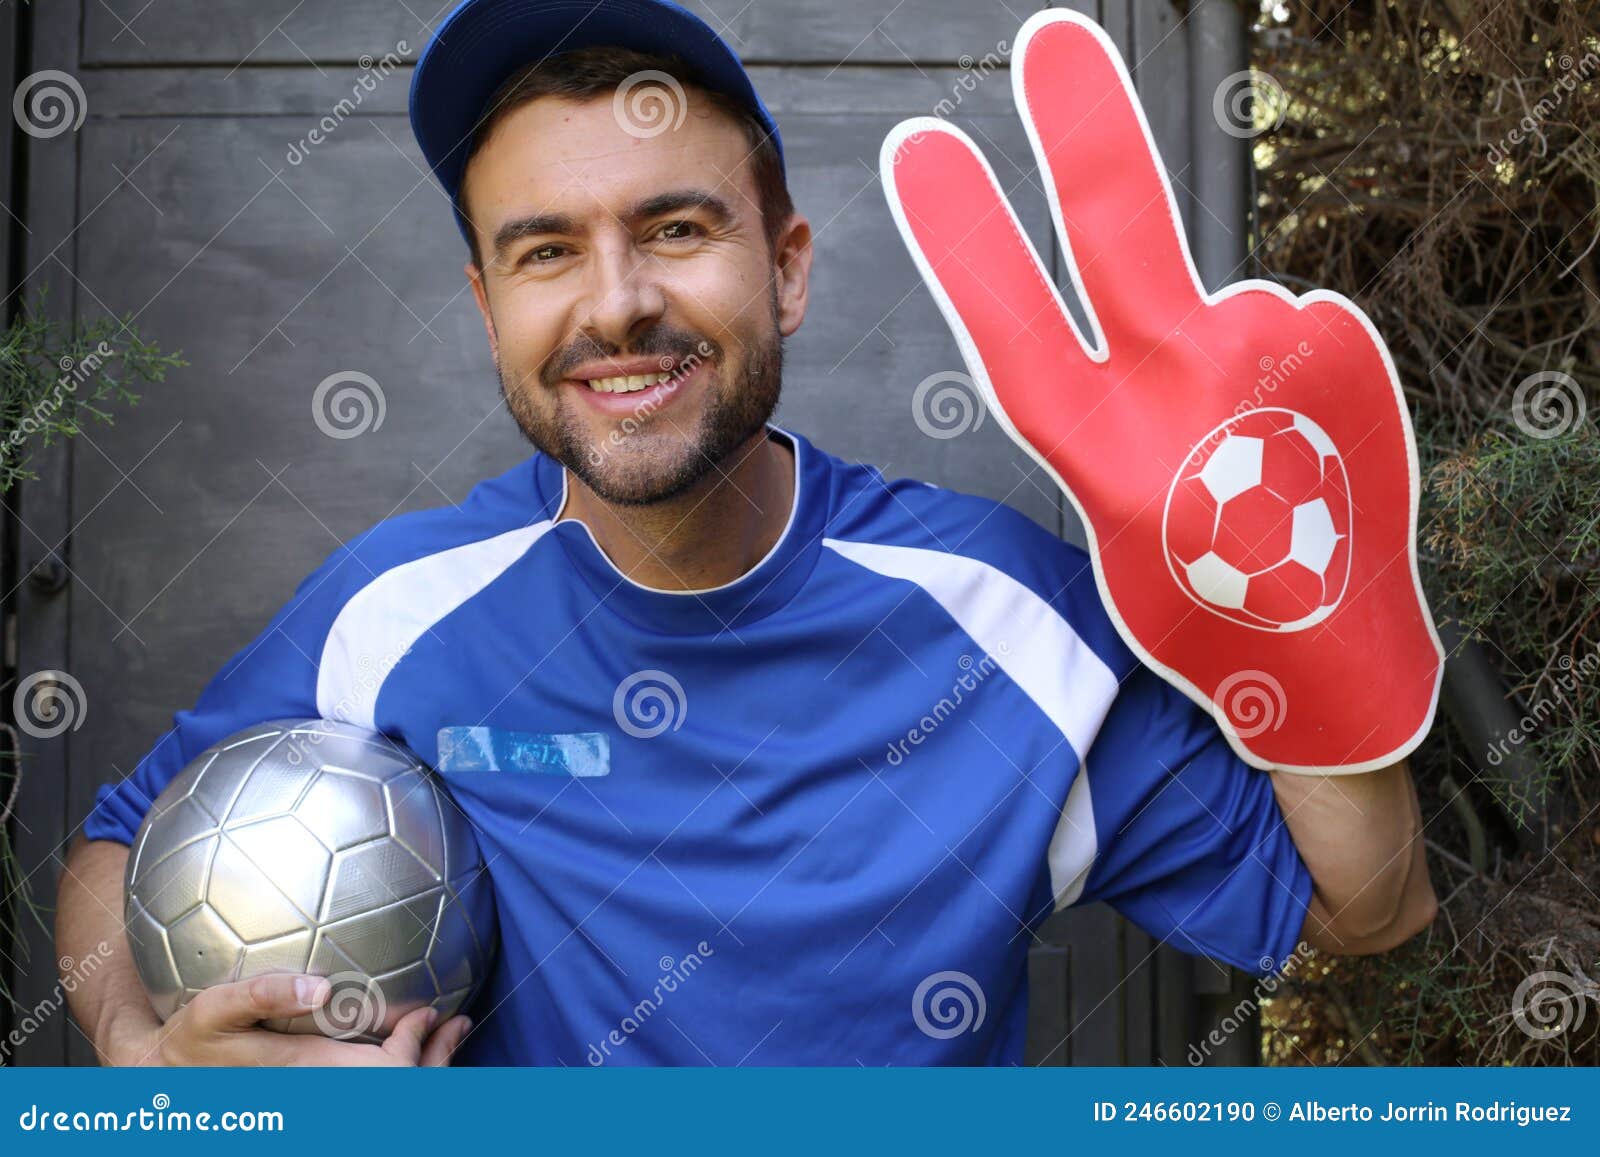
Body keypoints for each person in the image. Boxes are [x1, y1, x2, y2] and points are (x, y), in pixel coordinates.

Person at [57, 0, 1436, 1067]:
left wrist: (1307, 653)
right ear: (487, 307)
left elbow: (1369, 914)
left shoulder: (1004, 618)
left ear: (786, 267)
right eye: (546, 250)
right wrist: (143, 1065)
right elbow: (117, 846)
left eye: (674, 227)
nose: (616, 305)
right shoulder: (395, 611)